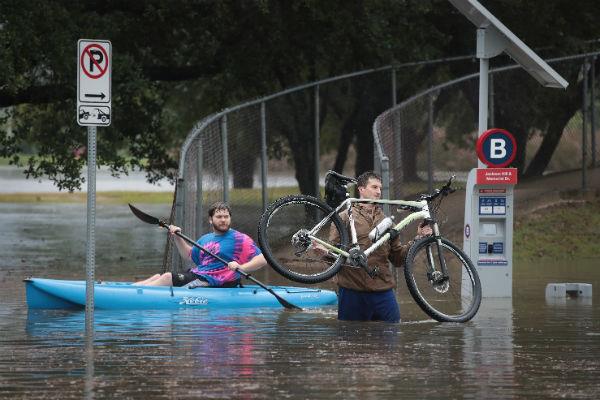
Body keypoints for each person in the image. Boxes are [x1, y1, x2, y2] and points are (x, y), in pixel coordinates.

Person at [329, 171, 432, 322]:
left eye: (380, 188)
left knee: (391, 335)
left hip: (382, 290)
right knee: (350, 339)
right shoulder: (344, 217)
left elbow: (398, 259)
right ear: (361, 189)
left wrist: (418, 239)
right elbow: (332, 252)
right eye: (374, 187)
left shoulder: (387, 221)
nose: (378, 192)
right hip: (352, 290)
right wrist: (322, 251)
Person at [135, 201, 266, 288]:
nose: (223, 220)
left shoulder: (239, 238)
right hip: (199, 274)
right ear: (210, 220)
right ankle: (128, 290)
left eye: (226, 217)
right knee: (159, 276)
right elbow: (189, 255)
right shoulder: (205, 239)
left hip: (214, 281)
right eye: (219, 217)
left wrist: (241, 267)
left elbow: (262, 259)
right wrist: (177, 237)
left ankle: (134, 296)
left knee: (168, 277)